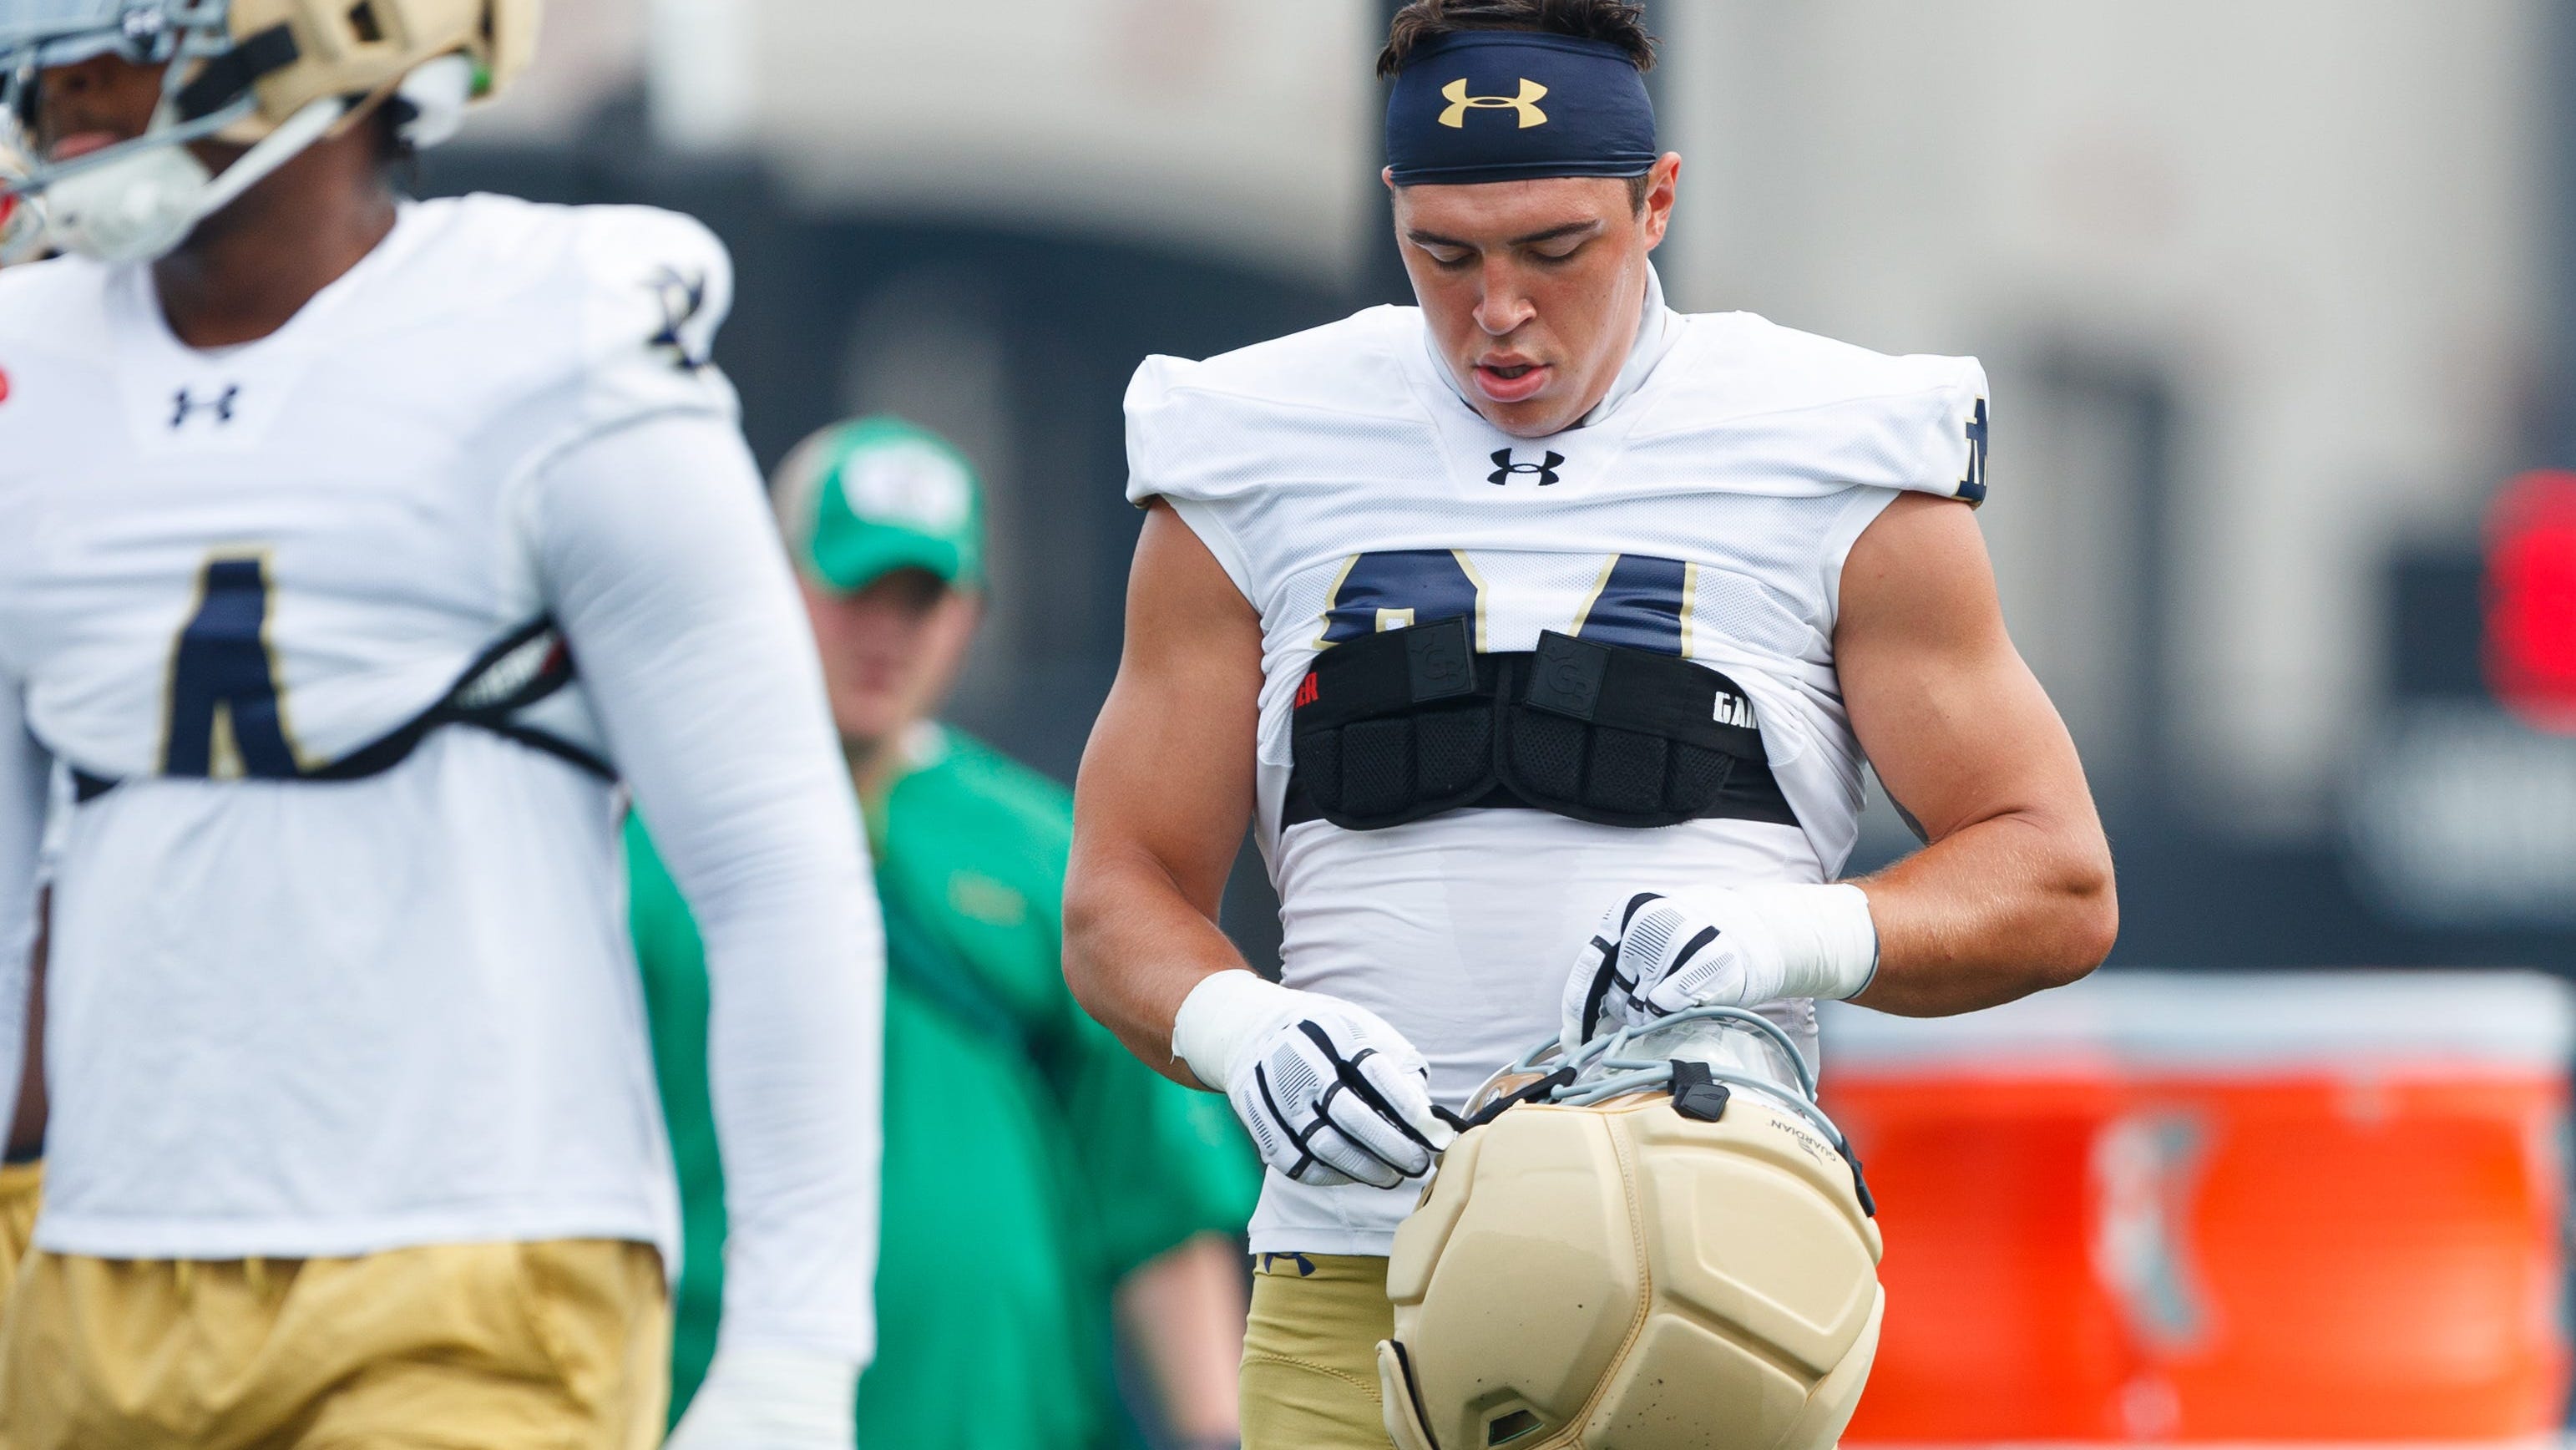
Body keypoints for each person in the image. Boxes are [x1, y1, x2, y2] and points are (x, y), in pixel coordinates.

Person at [1062, 2, 2120, 1445]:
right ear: (1393, 206)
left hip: (1703, 1284)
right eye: (1446, 254)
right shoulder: (1250, 442)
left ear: (1656, 201)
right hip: (1353, 1279)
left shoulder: (1836, 440)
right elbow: (1115, 896)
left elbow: (2056, 878)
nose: (1499, 309)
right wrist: (1246, 1030)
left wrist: (1781, 940)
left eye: (1555, 249)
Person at [0, 4, 884, 1447]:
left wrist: (797, 1352)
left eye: (139, 11)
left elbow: (771, 868)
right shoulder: (24, 366)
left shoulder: (558, 332)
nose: (67, 57)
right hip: (88, 1263)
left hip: (475, 1270)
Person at [630, 416, 1261, 1450]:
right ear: (769, 584)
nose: (885, 633)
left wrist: (1212, 1430)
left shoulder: (1048, 850)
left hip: (1010, 1422)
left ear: (967, 615)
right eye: (854, 591)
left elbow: (1152, 1187)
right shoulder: (645, 839)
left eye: (920, 599)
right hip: (700, 1411)